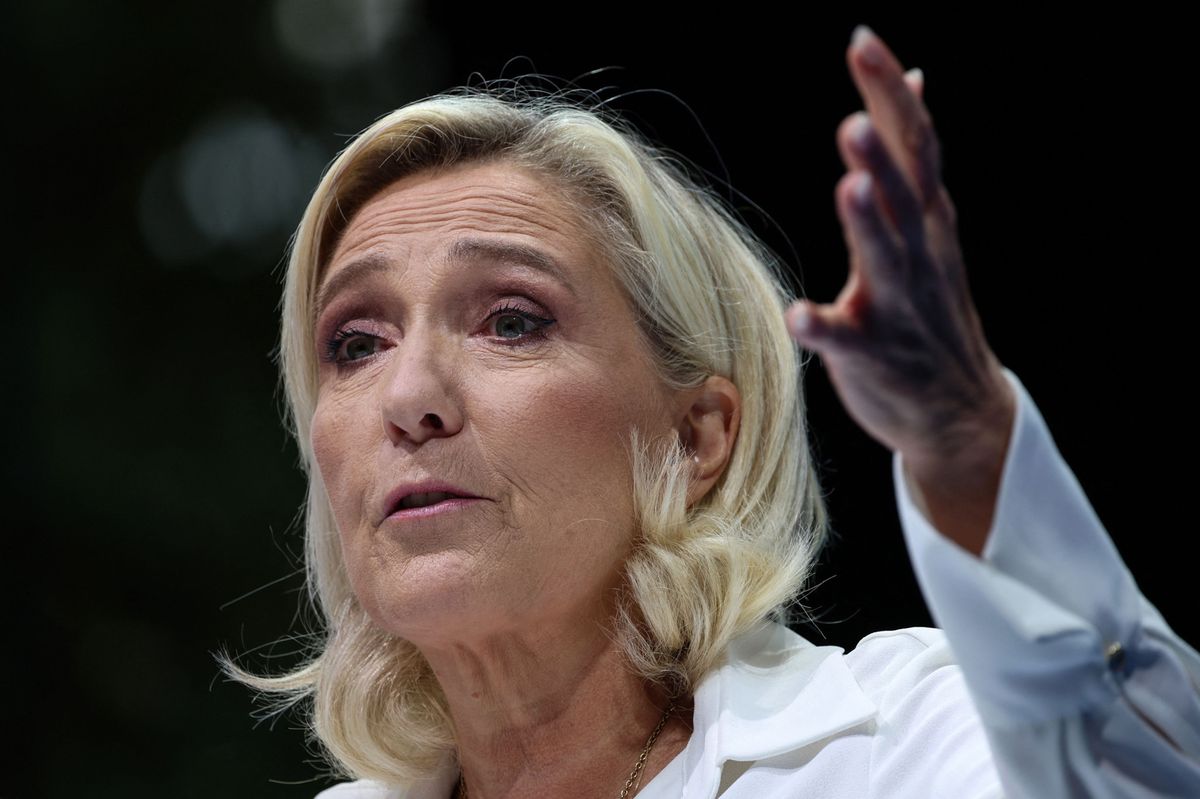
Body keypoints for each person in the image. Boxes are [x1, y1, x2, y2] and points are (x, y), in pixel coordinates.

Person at [231, 25, 1200, 798]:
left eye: (512, 321)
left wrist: (970, 443)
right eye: (355, 344)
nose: (409, 399)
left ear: (699, 436)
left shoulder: (905, 737)